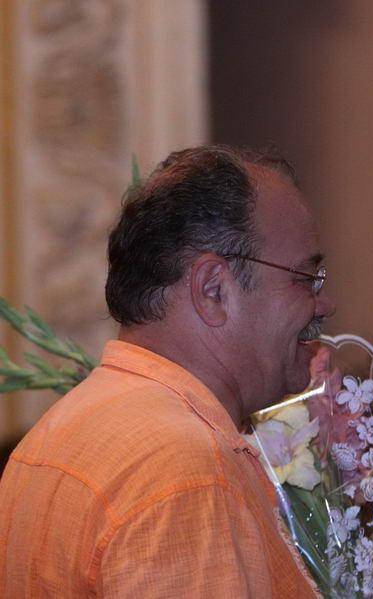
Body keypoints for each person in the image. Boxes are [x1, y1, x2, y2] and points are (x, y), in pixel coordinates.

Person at [0, 145, 334, 597]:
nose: (325, 304)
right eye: (305, 278)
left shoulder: (55, 431)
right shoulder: (185, 469)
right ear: (213, 290)